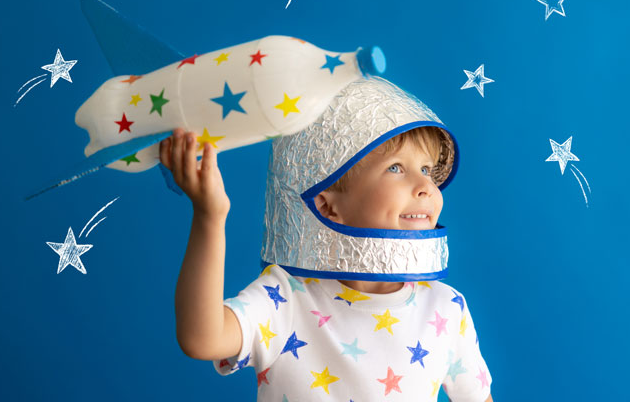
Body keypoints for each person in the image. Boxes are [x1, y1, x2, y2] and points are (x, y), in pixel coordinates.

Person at [161, 77, 492, 401]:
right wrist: (210, 216)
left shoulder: (446, 309)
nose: (425, 186)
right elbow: (201, 338)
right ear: (327, 204)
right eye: (395, 168)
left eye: (426, 168)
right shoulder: (285, 300)